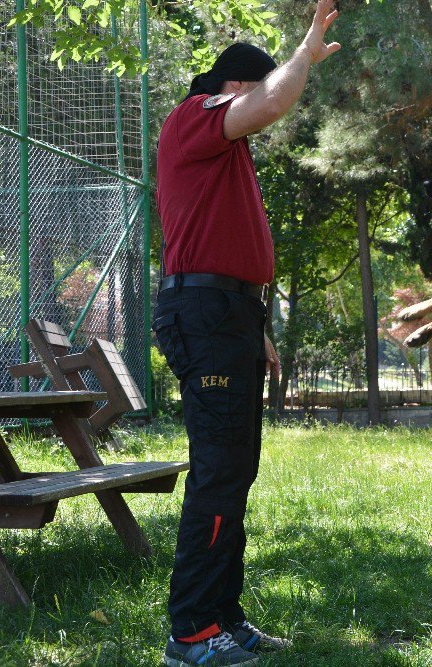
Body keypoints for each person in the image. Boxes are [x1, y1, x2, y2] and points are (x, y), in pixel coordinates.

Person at [151, 3, 340, 666]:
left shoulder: (218, 149)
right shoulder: (195, 117)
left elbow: (228, 243)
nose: (257, 119)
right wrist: (306, 50)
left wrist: (252, 322)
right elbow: (270, 101)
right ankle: (192, 631)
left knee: (235, 471)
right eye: (251, 93)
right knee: (219, 473)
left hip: (227, 317)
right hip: (206, 316)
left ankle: (222, 617)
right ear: (232, 88)